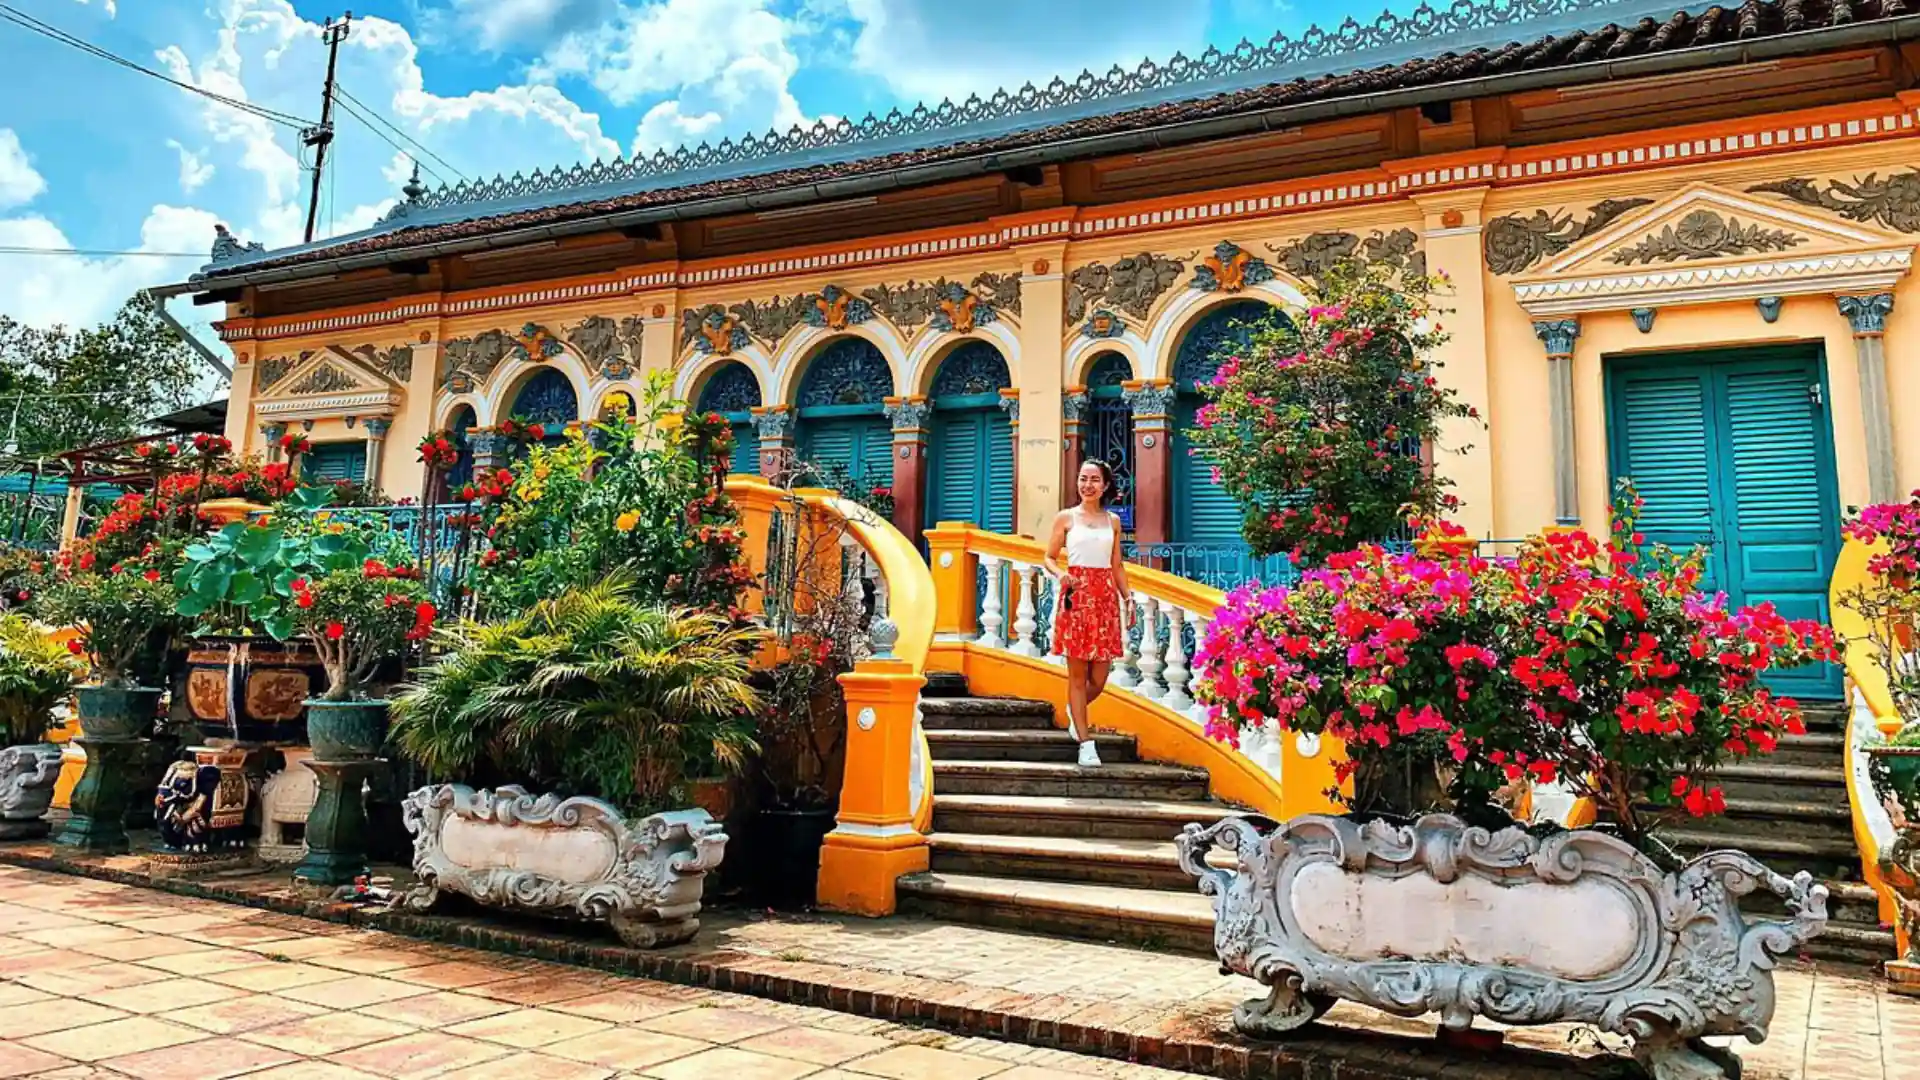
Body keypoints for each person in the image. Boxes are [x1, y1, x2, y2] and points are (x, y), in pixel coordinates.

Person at [1044, 460, 1132, 767]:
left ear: (1105, 485)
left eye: (1094, 479)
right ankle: (1085, 742)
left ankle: (1074, 709)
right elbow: (1049, 557)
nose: (1087, 485)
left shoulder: (1113, 521)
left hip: (1105, 598)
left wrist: (1128, 597)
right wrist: (1061, 575)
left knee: (1101, 676)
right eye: (1083, 479)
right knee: (1078, 676)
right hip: (1077, 596)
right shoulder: (1066, 518)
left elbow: (1117, 565)